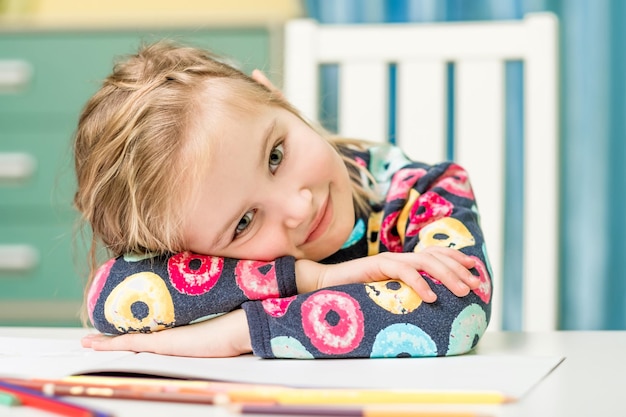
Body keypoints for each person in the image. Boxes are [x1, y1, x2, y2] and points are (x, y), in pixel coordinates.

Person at [74, 41, 492, 359]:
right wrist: (312, 278)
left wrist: (242, 332)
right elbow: (109, 298)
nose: (298, 208)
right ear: (186, 253)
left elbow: (460, 310)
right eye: (244, 222)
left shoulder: (423, 190)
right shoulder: (200, 255)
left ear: (278, 98)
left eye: (276, 155)